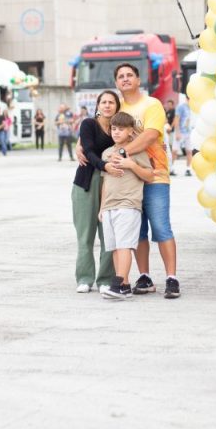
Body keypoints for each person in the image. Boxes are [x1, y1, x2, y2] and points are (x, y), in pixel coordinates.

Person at [80, 63, 180, 298]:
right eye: (120, 76)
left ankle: (172, 278)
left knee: (161, 227)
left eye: (129, 75)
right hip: (126, 181)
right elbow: (98, 125)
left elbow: (150, 135)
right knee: (138, 232)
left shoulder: (151, 104)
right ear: (116, 83)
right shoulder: (116, 106)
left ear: (137, 79)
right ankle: (144, 277)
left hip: (154, 174)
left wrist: (124, 154)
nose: (125, 79)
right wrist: (79, 144)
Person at [99, 111, 154, 300]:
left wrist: (131, 165)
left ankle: (117, 284)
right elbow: (105, 182)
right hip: (109, 206)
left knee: (124, 246)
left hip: (128, 204)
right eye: (114, 129)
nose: (116, 132)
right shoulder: (107, 153)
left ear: (131, 131)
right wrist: (101, 208)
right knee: (114, 247)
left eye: (121, 129)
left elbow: (149, 175)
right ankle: (124, 285)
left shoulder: (137, 151)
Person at [72, 90, 121, 293]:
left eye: (111, 102)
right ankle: (84, 278)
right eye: (104, 102)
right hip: (86, 182)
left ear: (117, 106)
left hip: (111, 184)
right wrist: (104, 165)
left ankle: (105, 279)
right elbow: (89, 150)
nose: (107, 105)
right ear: (98, 105)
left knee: (108, 234)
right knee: (85, 234)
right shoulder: (88, 124)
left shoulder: (121, 128)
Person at [174, 95, 193, 176]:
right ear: (187, 99)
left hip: (189, 133)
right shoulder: (181, 107)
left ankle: (188, 169)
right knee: (174, 151)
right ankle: (172, 168)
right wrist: (177, 132)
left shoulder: (192, 108)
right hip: (180, 132)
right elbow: (176, 120)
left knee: (189, 151)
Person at [164, 99, 176, 176]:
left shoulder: (174, 111)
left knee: (170, 149)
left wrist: (170, 127)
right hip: (166, 135)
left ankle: (171, 168)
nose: (168, 105)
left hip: (171, 133)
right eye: (167, 104)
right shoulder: (167, 112)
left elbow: (174, 121)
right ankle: (169, 168)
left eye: (170, 104)